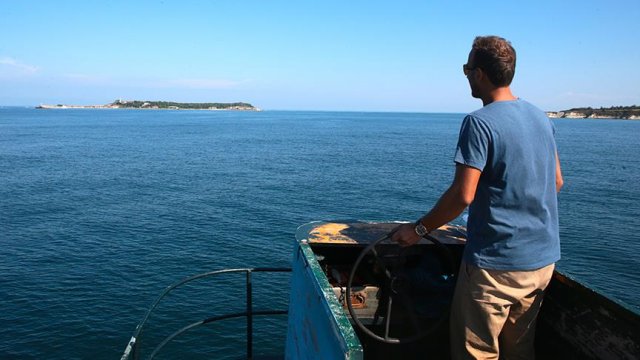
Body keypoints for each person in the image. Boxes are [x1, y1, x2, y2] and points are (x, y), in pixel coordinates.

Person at [391, 35, 563, 359]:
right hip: (542, 262)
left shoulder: (479, 123)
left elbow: (462, 194)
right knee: (520, 350)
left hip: (496, 266)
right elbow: (556, 181)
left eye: (467, 68)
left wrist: (417, 231)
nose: (467, 74)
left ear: (480, 74)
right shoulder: (541, 117)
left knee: (477, 353)